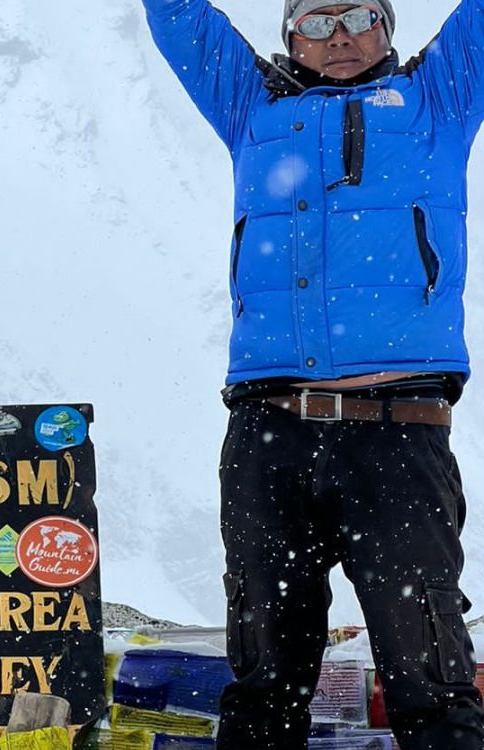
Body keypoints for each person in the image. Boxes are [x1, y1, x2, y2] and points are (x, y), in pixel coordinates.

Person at [140, 0, 484, 748]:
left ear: (387, 26)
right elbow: (178, 18)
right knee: (265, 683)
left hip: (400, 436)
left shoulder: (439, 97)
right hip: (270, 435)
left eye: (359, 15)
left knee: (431, 682)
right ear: (289, 35)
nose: (340, 37)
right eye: (317, 21)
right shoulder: (250, 105)